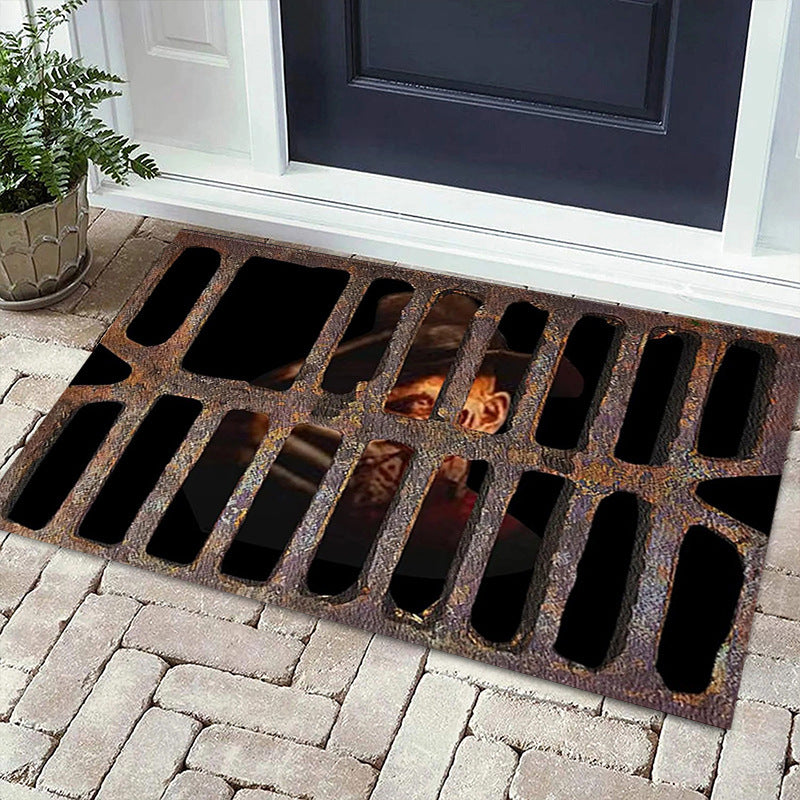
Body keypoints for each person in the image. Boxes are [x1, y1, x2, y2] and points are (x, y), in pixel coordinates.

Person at [218, 291, 583, 605]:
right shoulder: (310, 488)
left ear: (488, 415)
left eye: (415, 406)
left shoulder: (503, 542)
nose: (381, 429)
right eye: (380, 400)